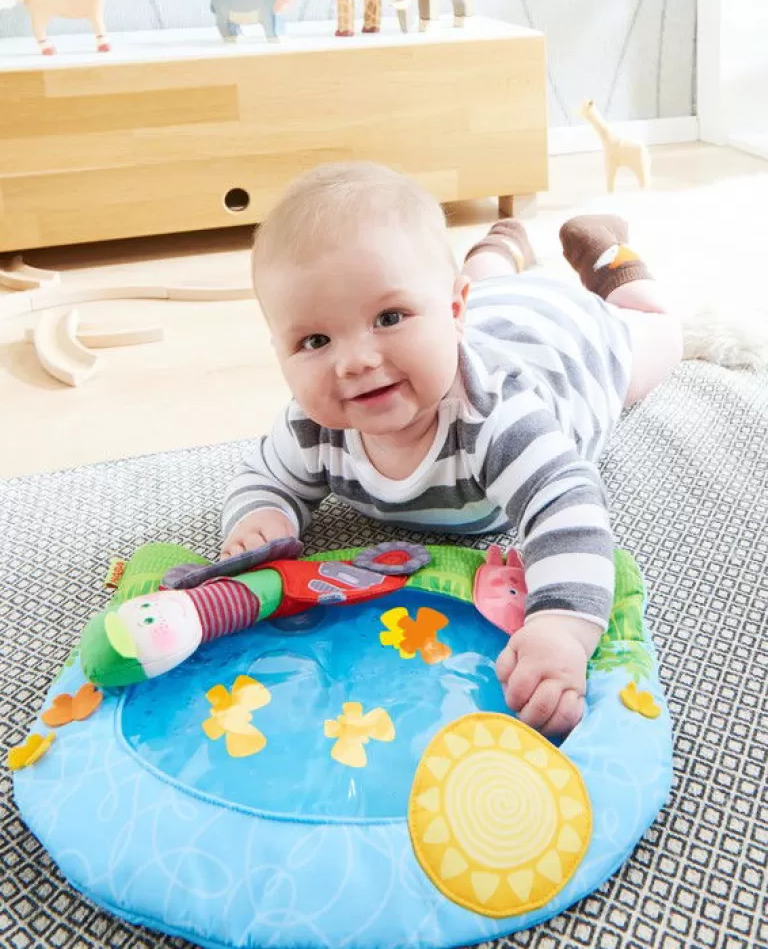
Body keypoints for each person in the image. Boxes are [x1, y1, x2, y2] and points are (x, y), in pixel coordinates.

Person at [220, 161, 683, 736]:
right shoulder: (312, 428)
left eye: (389, 318)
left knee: (660, 332)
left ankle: (610, 255)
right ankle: (500, 247)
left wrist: (561, 627)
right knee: (480, 288)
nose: (356, 360)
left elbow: (567, 507)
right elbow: (265, 478)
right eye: (314, 340)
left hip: (570, 340)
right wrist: (261, 516)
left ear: (451, 313)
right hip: (484, 305)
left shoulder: (496, 417)